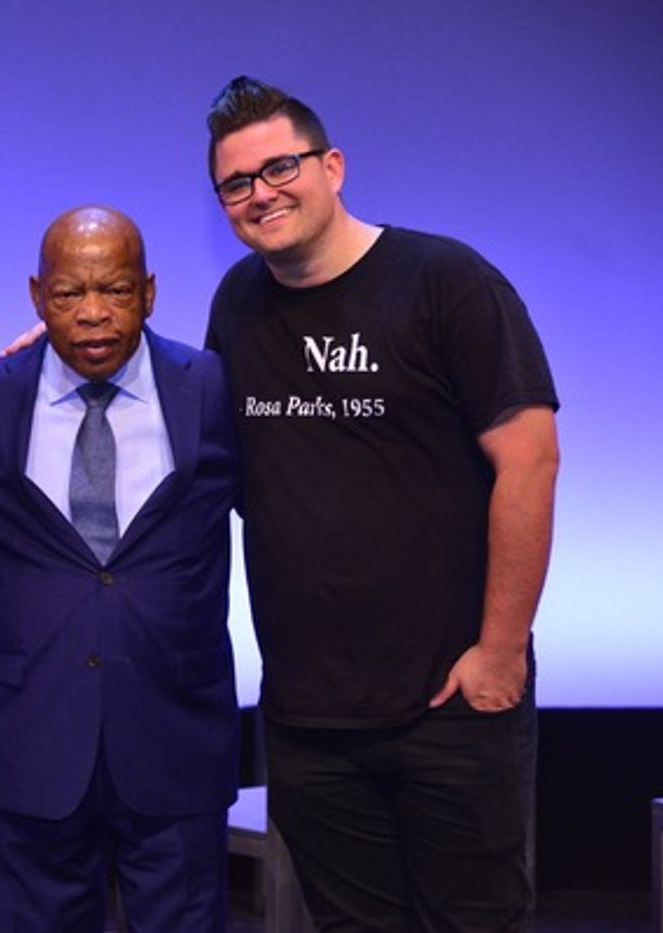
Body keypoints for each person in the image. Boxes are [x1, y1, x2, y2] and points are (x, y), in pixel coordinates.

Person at [204, 77, 560, 932]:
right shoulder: (238, 304)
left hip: (452, 699)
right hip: (306, 713)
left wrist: (501, 652)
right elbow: (198, 436)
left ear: (332, 165)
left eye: (279, 167)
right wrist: (67, 359)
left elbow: (532, 461)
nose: (261, 193)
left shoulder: (446, 281)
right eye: (236, 183)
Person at [0, 206, 242, 932]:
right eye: (70, 294)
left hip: (178, 734)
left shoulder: (216, 391)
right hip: (31, 736)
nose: (94, 314)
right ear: (37, 296)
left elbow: (289, 522)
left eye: (117, 290)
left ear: (151, 293)